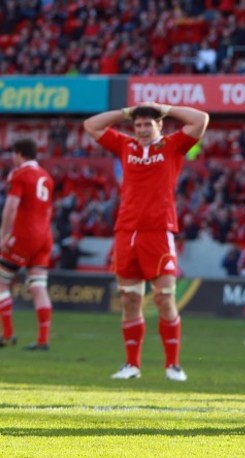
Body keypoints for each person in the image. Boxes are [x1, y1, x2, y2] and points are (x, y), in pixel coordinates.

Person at [84, 101, 209, 381]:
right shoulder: (124, 146)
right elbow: (91, 125)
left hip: (159, 232)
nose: (141, 129)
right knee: (130, 299)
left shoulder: (172, 146)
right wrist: (124, 113)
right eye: (138, 124)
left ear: (159, 125)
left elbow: (201, 120)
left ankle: (173, 365)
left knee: (165, 299)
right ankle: (132, 365)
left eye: (147, 124)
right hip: (126, 232)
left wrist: (165, 107)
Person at [0, 138, 54, 351]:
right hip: (45, 236)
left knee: (1, 281)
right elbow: (49, 210)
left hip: (24, 235)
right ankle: (43, 340)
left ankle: (8, 334)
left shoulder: (20, 174)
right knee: (38, 286)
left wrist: (3, 235)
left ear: (20, 154)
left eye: (14, 154)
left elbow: (11, 207)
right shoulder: (46, 177)